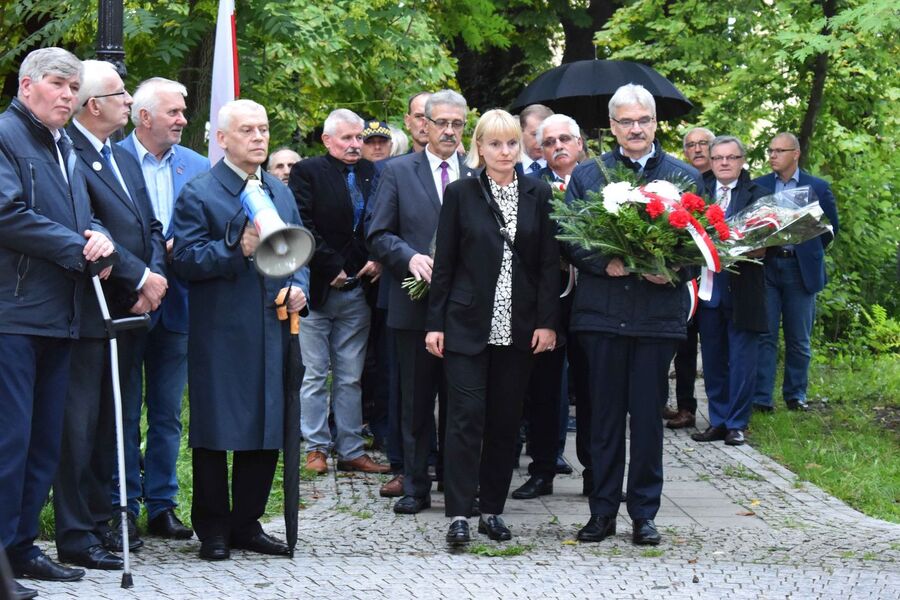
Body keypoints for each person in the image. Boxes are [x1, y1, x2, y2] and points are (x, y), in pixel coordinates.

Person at [564, 84, 701, 547]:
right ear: (613, 126)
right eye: (626, 121)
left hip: (656, 317)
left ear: (656, 123)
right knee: (601, 421)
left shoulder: (684, 177)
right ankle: (601, 512)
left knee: (646, 422)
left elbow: (702, 246)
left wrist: (674, 269)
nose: (636, 128)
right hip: (601, 316)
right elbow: (569, 237)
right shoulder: (589, 175)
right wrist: (605, 261)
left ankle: (644, 514)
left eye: (643, 120)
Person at [0, 47, 115, 599]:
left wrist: (98, 236)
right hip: (13, 316)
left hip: (61, 315)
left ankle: (22, 547)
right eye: (57, 85)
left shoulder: (64, 144)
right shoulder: (5, 135)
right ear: (27, 88)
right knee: (10, 443)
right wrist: (78, 247)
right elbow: (7, 214)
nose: (68, 95)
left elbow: (78, 216)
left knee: (44, 445)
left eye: (74, 88)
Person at [172, 99, 309, 561]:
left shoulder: (280, 190)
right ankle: (212, 527)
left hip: (273, 327)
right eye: (247, 130)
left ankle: (245, 523)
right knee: (214, 427)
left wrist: (300, 289)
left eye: (264, 129)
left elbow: (299, 251)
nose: (258, 137)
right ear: (222, 139)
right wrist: (238, 247)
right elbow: (185, 261)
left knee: (267, 424)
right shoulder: (201, 191)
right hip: (222, 331)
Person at [425, 109, 559, 544]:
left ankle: (493, 511)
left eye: (512, 144)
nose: (505, 152)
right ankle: (460, 514)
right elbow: (444, 263)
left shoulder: (539, 194)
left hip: (518, 328)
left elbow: (547, 266)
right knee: (464, 419)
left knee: (505, 421)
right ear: (478, 148)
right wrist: (435, 323)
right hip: (466, 325)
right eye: (495, 144)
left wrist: (546, 323)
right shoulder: (462, 193)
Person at [52, 59, 166, 571]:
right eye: (121, 94)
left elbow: (150, 224)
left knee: (112, 424)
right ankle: (80, 529)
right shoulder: (70, 152)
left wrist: (152, 279)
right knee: (82, 426)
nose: (129, 102)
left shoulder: (120, 154)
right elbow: (88, 227)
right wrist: (139, 278)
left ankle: (103, 519)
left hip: (128, 314)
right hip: (88, 311)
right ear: (94, 105)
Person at [368, 90, 476, 514]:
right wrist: (409, 257)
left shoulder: (476, 171)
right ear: (424, 126)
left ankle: (455, 482)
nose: (449, 131)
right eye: (442, 123)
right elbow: (378, 234)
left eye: (457, 124)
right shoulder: (396, 171)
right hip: (412, 306)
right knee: (413, 400)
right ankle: (414, 484)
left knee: (460, 400)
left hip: (464, 308)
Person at [119, 77, 209, 541]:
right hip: (128, 299)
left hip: (180, 302)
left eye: (183, 111)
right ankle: (124, 506)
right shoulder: (111, 159)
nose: (182, 119)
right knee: (124, 408)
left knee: (168, 412)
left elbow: (214, 221)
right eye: (173, 112)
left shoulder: (196, 165)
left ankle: (161, 504)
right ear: (144, 116)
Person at [290, 109, 389, 475]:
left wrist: (378, 258)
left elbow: (383, 221)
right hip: (318, 288)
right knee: (315, 372)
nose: (354, 144)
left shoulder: (373, 172)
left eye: (358, 138)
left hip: (360, 289)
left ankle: (350, 449)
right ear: (327, 140)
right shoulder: (307, 172)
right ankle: (315, 447)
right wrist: (330, 267)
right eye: (346, 138)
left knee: (351, 375)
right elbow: (302, 223)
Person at [512, 113, 583, 500]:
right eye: (550, 141)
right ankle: (542, 468)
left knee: (593, 390)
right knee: (544, 388)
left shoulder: (598, 183)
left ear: (579, 143)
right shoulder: (533, 187)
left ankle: (596, 472)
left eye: (565, 139)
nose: (558, 147)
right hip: (548, 299)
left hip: (592, 301)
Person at [751, 132, 839, 413]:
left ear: (796, 154)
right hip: (768, 265)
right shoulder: (759, 186)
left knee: (799, 337)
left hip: (800, 269)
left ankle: (795, 395)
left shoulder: (818, 187)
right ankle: (762, 398)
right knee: (765, 335)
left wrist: (805, 250)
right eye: (771, 150)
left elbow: (830, 231)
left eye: (779, 150)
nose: (773, 155)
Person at [691, 136, 767, 446]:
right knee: (712, 359)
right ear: (710, 160)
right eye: (719, 157)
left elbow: (766, 244)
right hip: (709, 289)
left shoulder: (759, 194)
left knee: (742, 359)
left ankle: (737, 423)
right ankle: (718, 421)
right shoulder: (698, 192)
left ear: (742, 160)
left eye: (731, 157)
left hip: (743, 288)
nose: (724, 162)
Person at [665, 126, 716, 430]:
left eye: (703, 144)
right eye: (691, 145)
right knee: (680, 342)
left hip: (713, 278)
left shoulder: (721, 182)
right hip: (682, 276)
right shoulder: (678, 181)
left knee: (708, 344)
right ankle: (680, 406)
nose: (697, 149)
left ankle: (713, 408)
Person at [517, 104, 554, 175]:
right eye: (535, 134)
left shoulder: (561, 166)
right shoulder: (508, 167)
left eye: (546, 135)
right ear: (521, 132)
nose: (541, 141)